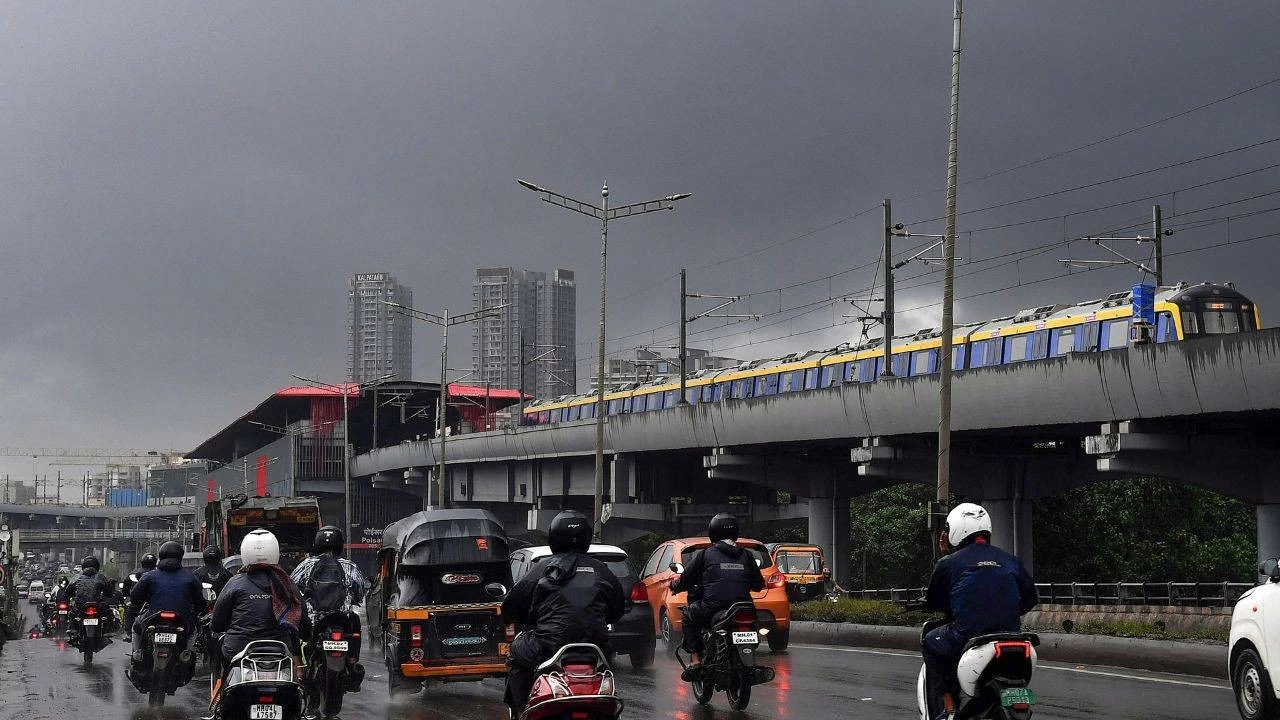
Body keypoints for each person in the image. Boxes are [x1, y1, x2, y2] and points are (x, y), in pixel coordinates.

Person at [501, 510, 625, 716]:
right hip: (595, 646)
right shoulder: (602, 570)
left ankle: (522, 711)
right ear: (586, 538)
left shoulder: (542, 568)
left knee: (515, 654)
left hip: (548, 646)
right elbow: (618, 609)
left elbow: (512, 605)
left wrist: (513, 617)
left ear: (554, 537)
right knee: (608, 671)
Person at [920, 502, 1038, 720]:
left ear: (956, 529)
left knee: (929, 641)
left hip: (969, 635)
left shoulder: (949, 563)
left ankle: (948, 707)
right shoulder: (1009, 559)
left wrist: (944, 556)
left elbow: (935, 602)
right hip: (1015, 638)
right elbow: (1031, 599)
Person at [670, 513, 765, 681]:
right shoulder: (747, 555)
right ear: (735, 532)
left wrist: (675, 586)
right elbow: (758, 584)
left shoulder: (705, 555)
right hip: (742, 608)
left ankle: (696, 661)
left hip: (713, 607)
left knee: (688, 615)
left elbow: (686, 578)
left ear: (712, 532)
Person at [211, 529, 309, 679]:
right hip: (279, 649)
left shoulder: (235, 582)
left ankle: (221, 692)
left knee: (224, 668)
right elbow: (301, 618)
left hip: (238, 649)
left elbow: (217, 622)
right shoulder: (287, 584)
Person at [290, 525, 368, 692]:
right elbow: (361, 591)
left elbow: (291, 589)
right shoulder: (350, 566)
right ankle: (353, 662)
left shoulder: (306, 565)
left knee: (296, 635)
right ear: (340, 544)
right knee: (355, 625)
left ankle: (301, 670)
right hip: (343, 619)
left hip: (313, 620)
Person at [125, 541, 204, 679]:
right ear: (180, 556)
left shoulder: (150, 576)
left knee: (136, 627)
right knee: (194, 631)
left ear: (161, 556)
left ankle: (137, 652)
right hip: (182, 620)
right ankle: (186, 653)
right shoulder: (191, 578)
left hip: (153, 617)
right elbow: (200, 602)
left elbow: (135, 596)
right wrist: (196, 612)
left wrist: (139, 604)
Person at [63, 556, 116, 639]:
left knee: (72, 613)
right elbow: (108, 593)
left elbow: (67, 592)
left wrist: (74, 594)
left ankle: (72, 628)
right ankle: (108, 630)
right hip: (97, 604)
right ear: (97, 566)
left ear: (83, 566)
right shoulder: (101, 577)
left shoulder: (76, 577)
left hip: (80, 605)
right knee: (109, 612)